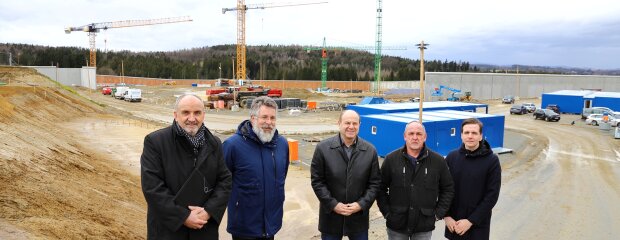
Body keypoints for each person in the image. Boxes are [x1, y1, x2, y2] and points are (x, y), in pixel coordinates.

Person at [141, 94, 232, 239]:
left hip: (203, 228)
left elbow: (225, 181)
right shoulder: (156, 142)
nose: (192, 118)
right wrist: (183, 217)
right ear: (176, 115)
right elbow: (152, 188)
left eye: (197, 113)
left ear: (204, 115)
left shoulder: (214, 143)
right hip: (168, 231)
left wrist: (209, 211)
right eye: (186, 113)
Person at [223, 96, 289, 240]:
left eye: (273, 118)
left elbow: (281, 177)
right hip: (244, 226)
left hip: (271, 223)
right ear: (253, 118)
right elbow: (223, 183)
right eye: (264, 117)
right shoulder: (233, 145)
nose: (269, 122)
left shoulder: (282, 145)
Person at [310, 110, 381, 240]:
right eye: (347, 123)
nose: (351, 126)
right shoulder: (323, 148)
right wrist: (333, 204)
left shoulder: (370, 151)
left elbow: (375, 184)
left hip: (358, 219)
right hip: (331, 218)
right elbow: (317, 181)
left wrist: (361, 204)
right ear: (339, 123)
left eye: (355, 123)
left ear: (360, 125)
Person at [377, 121, 454, 240]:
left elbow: (448, 189)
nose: (415, 137)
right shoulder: (391, 159)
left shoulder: (438, 161)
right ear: (405, 136)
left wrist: (438, 214)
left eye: (419, 134)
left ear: (425, 137)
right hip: (396, 224)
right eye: (411, 133)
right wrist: (387, 212)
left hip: (424, 225)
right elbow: (380, 188)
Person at [444, 118, 501, 240]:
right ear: (461, 135)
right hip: (454, 223)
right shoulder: (451, 157)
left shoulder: (492, 160)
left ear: (481, 136)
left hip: (478, 225)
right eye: (466, 132)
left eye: (474, 133)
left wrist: (471, 221)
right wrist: (446, 216)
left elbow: (492, 195)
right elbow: (442, 188)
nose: (470, 136)